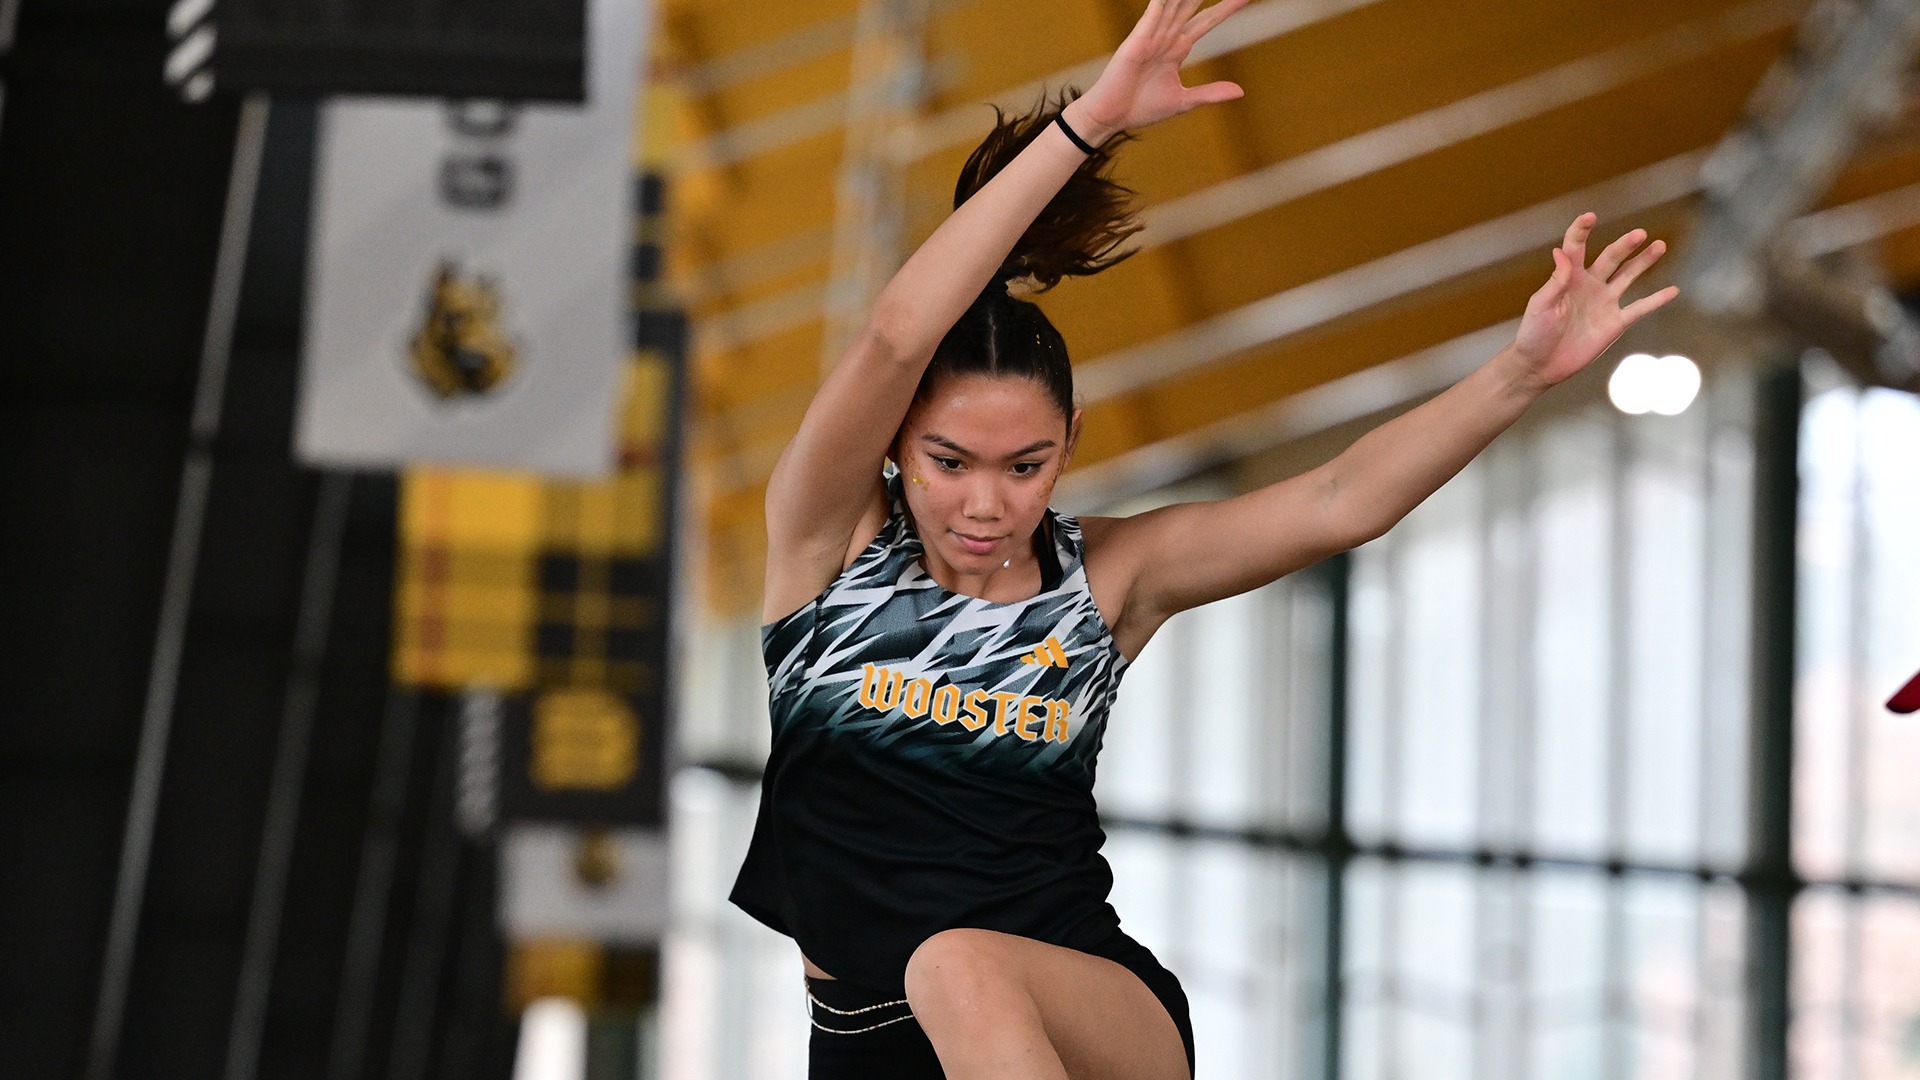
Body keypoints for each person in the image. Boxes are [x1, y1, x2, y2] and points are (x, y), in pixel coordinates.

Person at [728, 0, 1680, 1076]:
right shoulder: (827, 549)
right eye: (952, 463)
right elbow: (900, 331)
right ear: (895, 441)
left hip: (1088, 1013)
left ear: (1072, 444)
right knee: (945, 972)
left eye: (1026, 466)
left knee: (956, 963)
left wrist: (1516, 374)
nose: (987, 505)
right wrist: (1094, 118)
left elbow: (1337, 499)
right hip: (865, 1042)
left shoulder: (1110, 580)